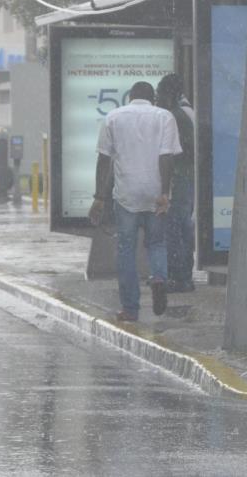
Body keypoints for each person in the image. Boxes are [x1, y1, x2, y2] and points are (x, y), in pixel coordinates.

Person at [89, 81, 181, 321]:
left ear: (130, 97)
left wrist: (99, 197)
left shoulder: (113, 117)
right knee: (157, 243)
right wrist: (164, 192)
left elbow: (104, 160)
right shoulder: (165, 117)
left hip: (126, 193)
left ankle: (130, 308)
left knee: (126, 249)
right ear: (153, 98)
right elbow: (167, 157)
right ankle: (159, 278)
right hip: (155, 191)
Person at [156, 73, 197, 293]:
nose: (157, 100)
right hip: (186, 178)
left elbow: (179, 151)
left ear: (169, 94)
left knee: (174, 229)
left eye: (159, 95)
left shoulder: (176, 116)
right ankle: (183, 275)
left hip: (179, 179)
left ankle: (178, 277)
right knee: (182, 228)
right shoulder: (186, 111)